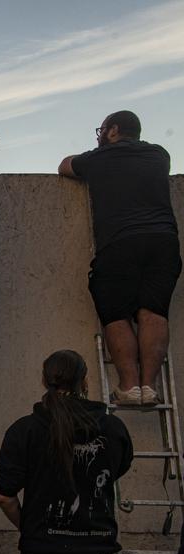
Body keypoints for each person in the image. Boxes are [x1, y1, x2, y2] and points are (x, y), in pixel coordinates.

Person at [59, 110, 180, 406]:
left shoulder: (100, 158)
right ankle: (148, 387)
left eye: (101, 130)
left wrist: (97, 152)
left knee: (115, 313)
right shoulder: (159, 154)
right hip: (163, 241)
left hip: (120, 242)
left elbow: (64, 166)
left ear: (112, 131)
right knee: (154, 311)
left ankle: (128, 385)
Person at [0, 349, 134, 554]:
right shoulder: (113, 428)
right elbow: (116, 469)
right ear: (85, 381)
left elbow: (5, 496)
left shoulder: (24, 430)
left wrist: (31, 528)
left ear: (43, 380)